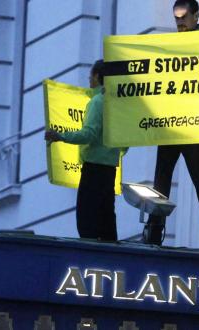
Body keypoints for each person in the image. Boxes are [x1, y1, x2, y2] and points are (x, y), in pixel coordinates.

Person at [143, 0, 199, 250]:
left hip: (194, 124)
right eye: (176, 16)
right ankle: (154, 232)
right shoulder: (172, 45)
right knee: (161, 180)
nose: (179, 21)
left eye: (183, 16)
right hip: (171, 121)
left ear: (195, 16)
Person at [45, 60, 125, 241]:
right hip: (110, 169)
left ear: (97, 76)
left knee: (86, 220)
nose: (89, 79)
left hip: (94, 168)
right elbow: (124, 141)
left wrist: (61, 136)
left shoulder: (97, 102)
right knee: (106, 221)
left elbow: (89, 134)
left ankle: (89, 260)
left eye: (90, 75)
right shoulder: (118, 103)